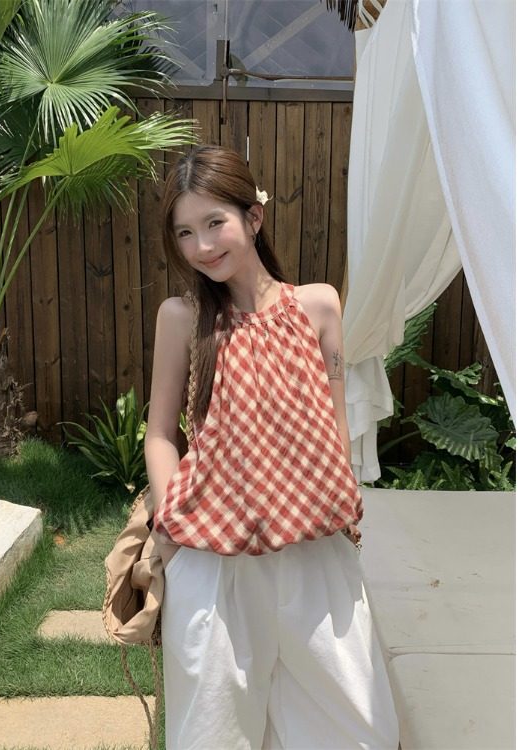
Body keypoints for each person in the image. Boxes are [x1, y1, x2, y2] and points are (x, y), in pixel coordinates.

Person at [145, 144, 399, 749]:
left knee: (351, 723)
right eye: (185, 232)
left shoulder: (319, 305)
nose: (202, 246)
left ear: (253, 217)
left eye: (215, 223)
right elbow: (160, 432)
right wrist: (169, 524)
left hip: (315, 553)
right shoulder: (181, 318)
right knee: (213, 729)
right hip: (211, 557)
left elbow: (333, 424)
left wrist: (345, 504)